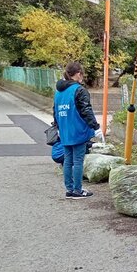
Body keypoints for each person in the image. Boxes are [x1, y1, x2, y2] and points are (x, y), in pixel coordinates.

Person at [54, 62, 102, 199]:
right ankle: (78, 190)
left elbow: (55, 111)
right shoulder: (79, 90)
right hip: (78, 130)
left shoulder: (59, 91)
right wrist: (96, 127)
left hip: (64, 130)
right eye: (82, 74)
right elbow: (86, 110)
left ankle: (69, 189)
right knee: (78, 160)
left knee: (68, 160)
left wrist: (57, 126)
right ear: (78, 73)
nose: (82, 77)